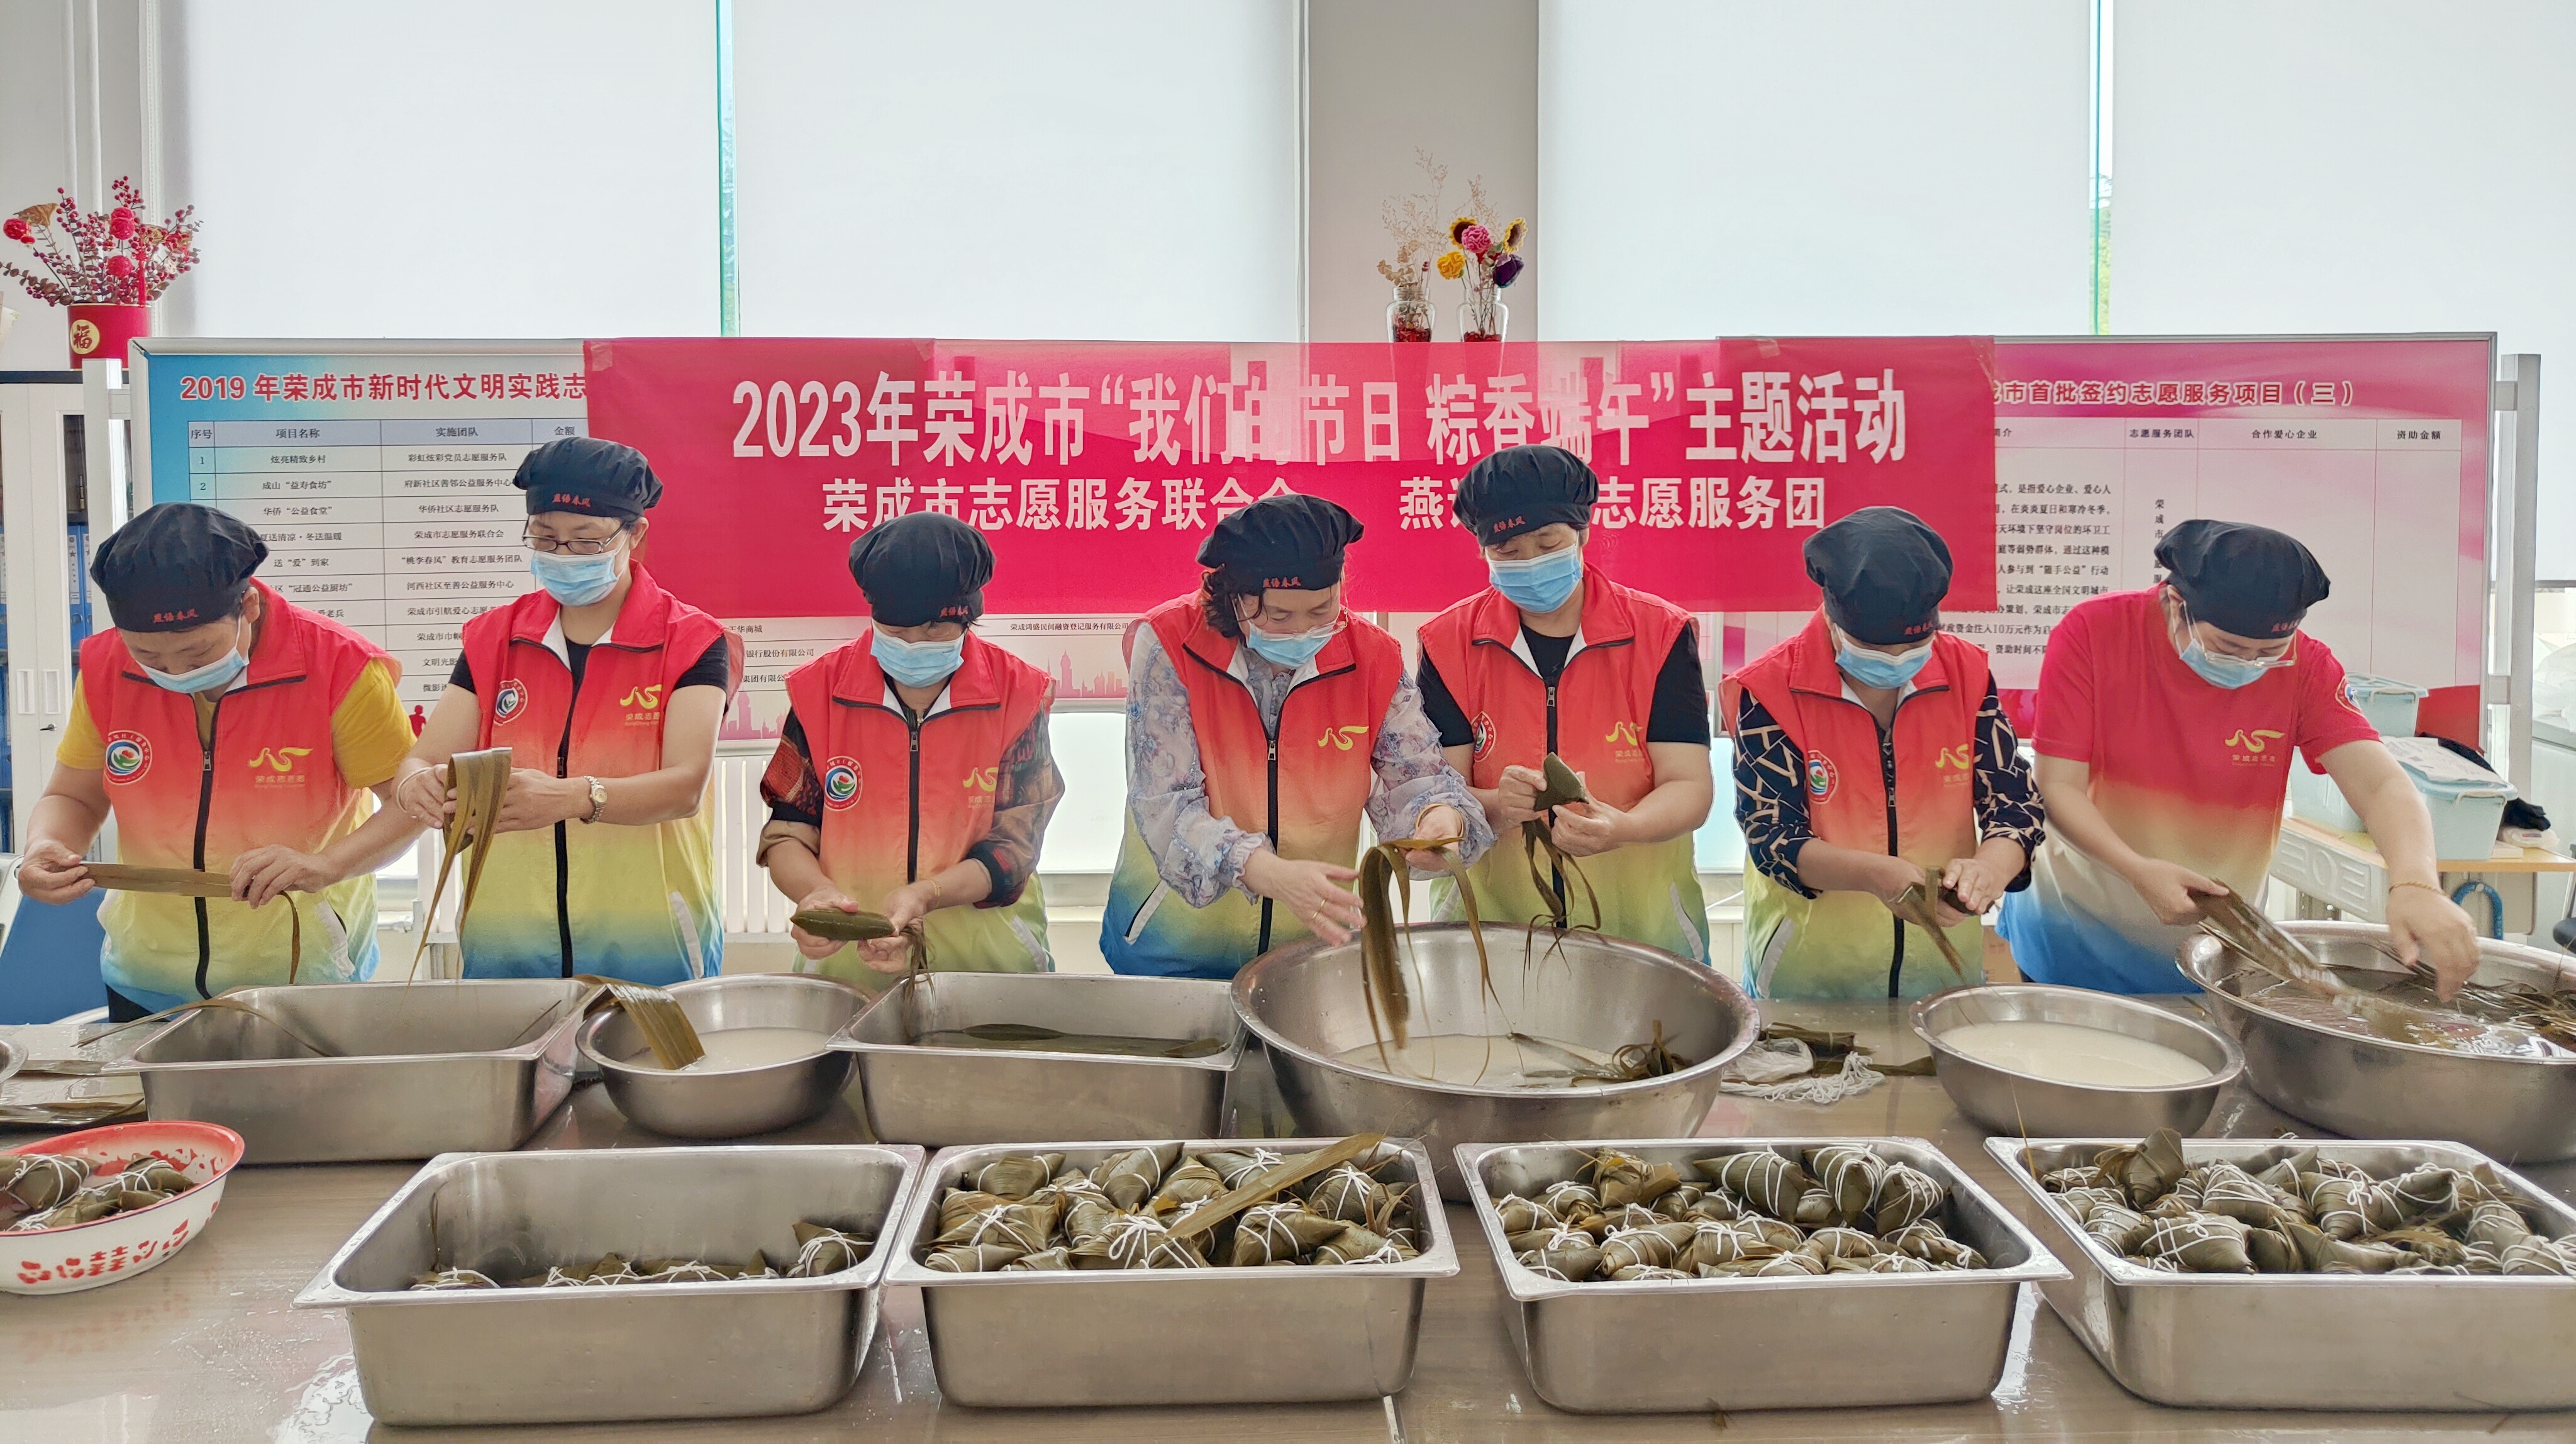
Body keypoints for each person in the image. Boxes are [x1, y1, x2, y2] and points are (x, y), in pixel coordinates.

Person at [1996, 518, 2480, 995]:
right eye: (2228, 647)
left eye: (2270, 651)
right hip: (2075, 930)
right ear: (2176, 603)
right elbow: (2057, 787)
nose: (2249, 664)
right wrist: (2136, 869)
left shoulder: (2307, 666)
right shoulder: (2096, 632)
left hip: (2217, 944)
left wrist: (2416, 883)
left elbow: (2382, 785)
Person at [16, 504, 422, 1019]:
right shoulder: (107, 667)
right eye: (150, 657)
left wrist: (325, 866)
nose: (175, 672)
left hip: (302, 978)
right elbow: (73, 795)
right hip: (146, 978)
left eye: (198, 653)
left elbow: (411, 807)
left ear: (247, 606)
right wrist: (43, 847)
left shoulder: (339, 666)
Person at [392, 437, 738, 984]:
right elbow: (423, 758)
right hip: (507, 946)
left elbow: (685, 786)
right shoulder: (496, 638)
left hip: (650, 946)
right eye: (545, 537)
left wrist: (576, 797)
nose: (563, 555)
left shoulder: (690, 641)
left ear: (635, 535)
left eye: (585, 539)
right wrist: (416, 785)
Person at [1102, 493, 1492, 978]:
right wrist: (1269, 873)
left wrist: (1437, 818)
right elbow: (1166, 804)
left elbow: (1418, 775)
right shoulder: (1169, 644)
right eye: (1278, 616)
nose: (1302, 631)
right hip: (1174, 942)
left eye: (1322, 610)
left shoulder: (1372, 658)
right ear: (1234, 596)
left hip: (1309, 948)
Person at [1724, 507, 2046, 999]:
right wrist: (1876, 876)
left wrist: (1990, 869)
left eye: (1913, 648)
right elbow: (1771, 836)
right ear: (1831, 615)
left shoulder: (1965, 674)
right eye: (1875, 650)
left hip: (1941, 974)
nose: (1897, 662)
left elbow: (2014, 802)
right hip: (1809, 973)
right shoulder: (1770, 691)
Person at [1415, 445, 1717, 961]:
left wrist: (1624, 828)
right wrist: (1496, 806)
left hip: (1642, 939)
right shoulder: (1448, 644)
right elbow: (1439, 788)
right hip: (1491, 943)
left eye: (1547, 542)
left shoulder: (1660, 635)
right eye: (1507, 550)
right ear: (1482, 551)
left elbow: (1689, 786)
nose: (1530, 562)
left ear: (1583, 532)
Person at [758, 513, 1062, 983]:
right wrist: (815, 894)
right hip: (849, 967)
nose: (916, 644)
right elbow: (788, 831)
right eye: (898, 631)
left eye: (935, 629)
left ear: (968, 617)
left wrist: (927, 895)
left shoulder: (1018, 696)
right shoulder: (820, 693)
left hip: (989, 969)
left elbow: (1015, 846)